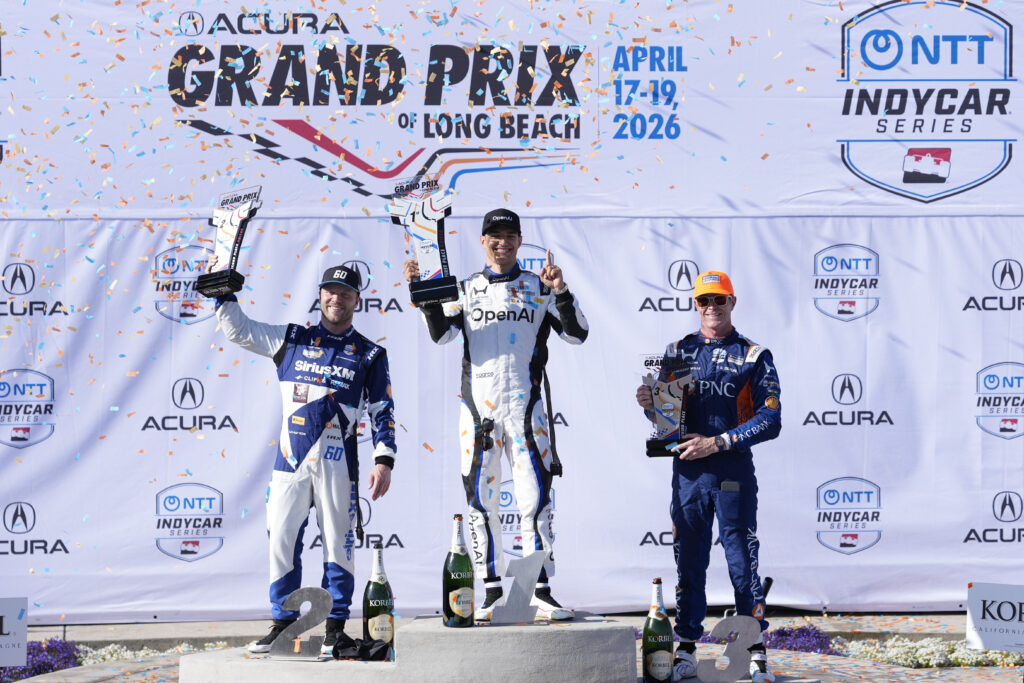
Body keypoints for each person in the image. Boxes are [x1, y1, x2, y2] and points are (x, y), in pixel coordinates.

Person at [403, 208, 588, 621]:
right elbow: (442, 334)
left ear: (520, 241)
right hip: (478, 413)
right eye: (494, 236)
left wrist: (561, 290)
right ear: (483, 241)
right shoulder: (465, 288)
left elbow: (577, 334)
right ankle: (490, 592)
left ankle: (539, 591)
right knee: (481, 503)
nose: (501, 243)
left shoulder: (538, 286)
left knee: (535, 500)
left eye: (509, 235)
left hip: (526, 411)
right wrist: (423, 292)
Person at [206, 256, 397, 655]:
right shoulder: (291, 339)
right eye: (331, 292)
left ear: (357, 300)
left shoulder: (370, 354)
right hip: (289, 463)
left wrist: (384, 459)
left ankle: (334, 630)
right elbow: (239, 330)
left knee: (338, 546)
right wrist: (222, 292)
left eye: (345, 293)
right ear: (320, 295)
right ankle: (283, 627)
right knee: (281, 541)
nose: (337, 299)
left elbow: (383, 409)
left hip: (338, 464)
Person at [635, 270, 781, 683]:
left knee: (742, 563)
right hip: (689, 474)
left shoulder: (753, 354)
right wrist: (651, 405)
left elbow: (771, 419)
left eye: (719, 299)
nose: (712, 307)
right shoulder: (679, 350)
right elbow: (668, 425)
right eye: (704, 300)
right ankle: (686, 648)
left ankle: (755, 651)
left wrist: (717, 442)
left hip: (732, 471)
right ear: (695, 305)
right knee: (689, 562)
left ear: (732, 302)